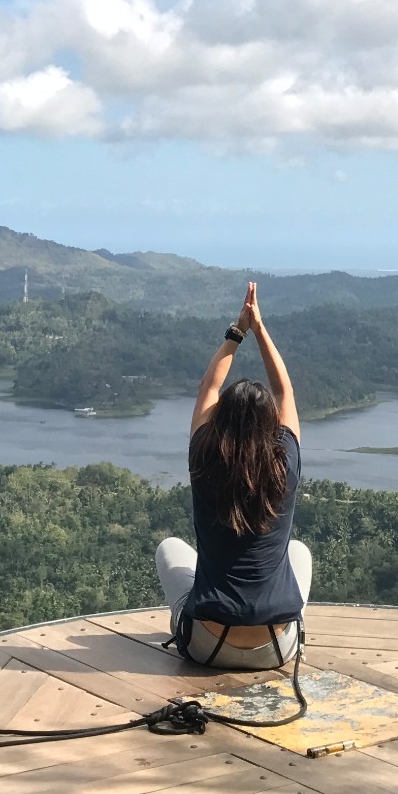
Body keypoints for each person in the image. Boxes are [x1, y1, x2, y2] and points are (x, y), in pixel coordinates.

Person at [156, 281, 312, 669]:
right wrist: (260, 329)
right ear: (270, 423)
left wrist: (237, 331)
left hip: (207, 645)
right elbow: (285, 390)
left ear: (220, 420)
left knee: (169, 550)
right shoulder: (285, 465)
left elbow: (208, 387)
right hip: (277, 649)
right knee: (299, 552)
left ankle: (190, 619)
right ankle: (290, 628)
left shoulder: (204, 458)